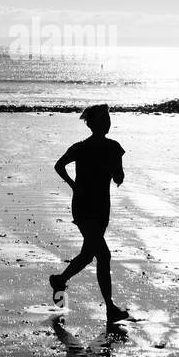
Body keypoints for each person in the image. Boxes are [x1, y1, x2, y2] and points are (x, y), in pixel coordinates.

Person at [50, 104, 130, 324]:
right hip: (84, 206)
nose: (108, 123)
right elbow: (59, 165)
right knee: (103, 255)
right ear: (93, 124)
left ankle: (59, 279)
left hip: (102, 207)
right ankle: (110, 309)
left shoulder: (115, 147)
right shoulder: (80, 147)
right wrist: (74, 186)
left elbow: (119, 177)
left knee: (88, 254)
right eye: (104, 119)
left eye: (109, 119)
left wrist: (116, 173)